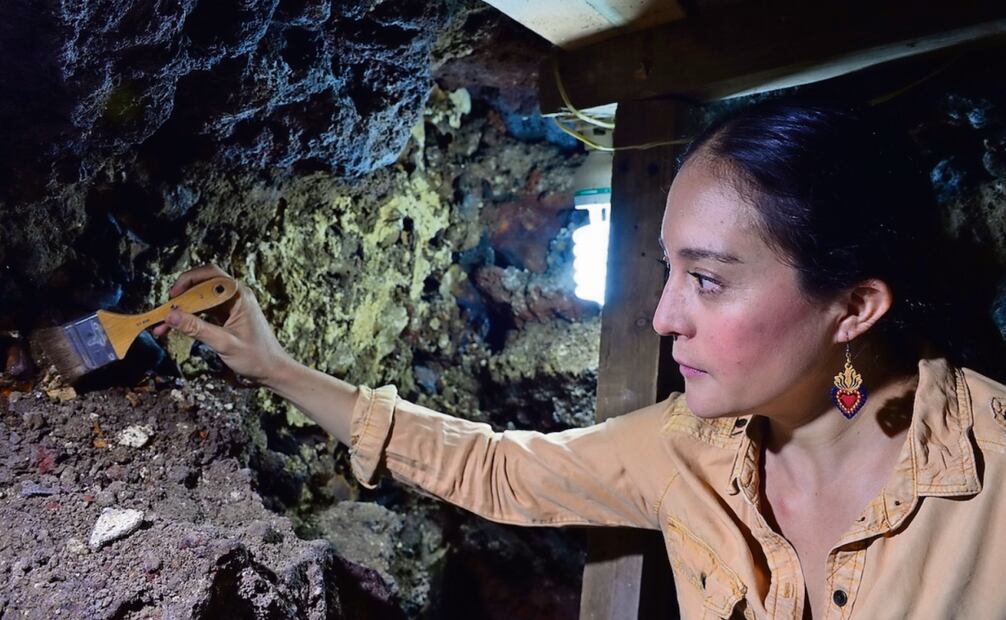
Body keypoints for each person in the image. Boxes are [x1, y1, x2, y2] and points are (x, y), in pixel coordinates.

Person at [153, 98, 1006, 619]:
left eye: (707, 280)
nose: (664, 317)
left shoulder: (991, 479)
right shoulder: (690, 450)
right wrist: (273, 367)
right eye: (667, 270)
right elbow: (495, 470)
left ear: (854, 307)